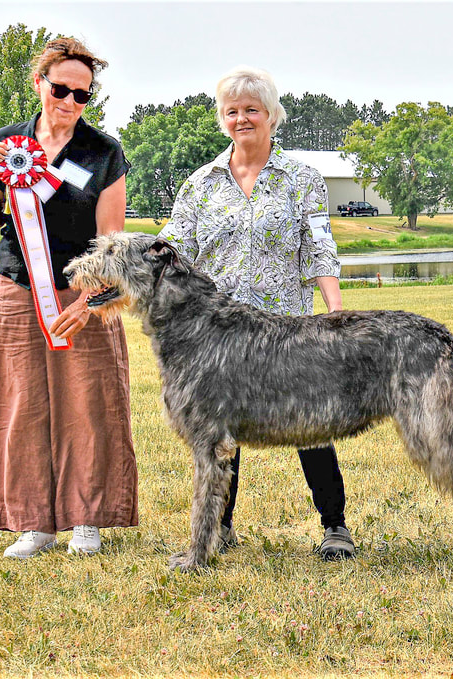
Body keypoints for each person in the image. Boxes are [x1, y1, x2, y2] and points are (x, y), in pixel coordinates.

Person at [159, 66, 354, 560]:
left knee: (311, 425)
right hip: (216, 335)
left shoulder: (303, 178)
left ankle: (335, 527)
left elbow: (319, 247)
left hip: (287, 331)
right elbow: (174, 249)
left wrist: (335, 312)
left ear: (271, 115)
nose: (242, 117)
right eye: (232, 110)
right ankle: (220, 529)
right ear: (222, 118)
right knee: (219, 434)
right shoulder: (199, 183)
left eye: (251, 109)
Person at [0, 38, 137, 558]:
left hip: (81, 290)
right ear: (39, 83)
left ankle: (86, 518)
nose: (69, 101)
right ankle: (33, 523)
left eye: (82, 94)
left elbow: (109, 242)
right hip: (18, 288)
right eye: (61, 88)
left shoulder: (104, 152)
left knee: (88, 403)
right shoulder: (8, 143)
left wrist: (85, 304)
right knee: (22, 403)